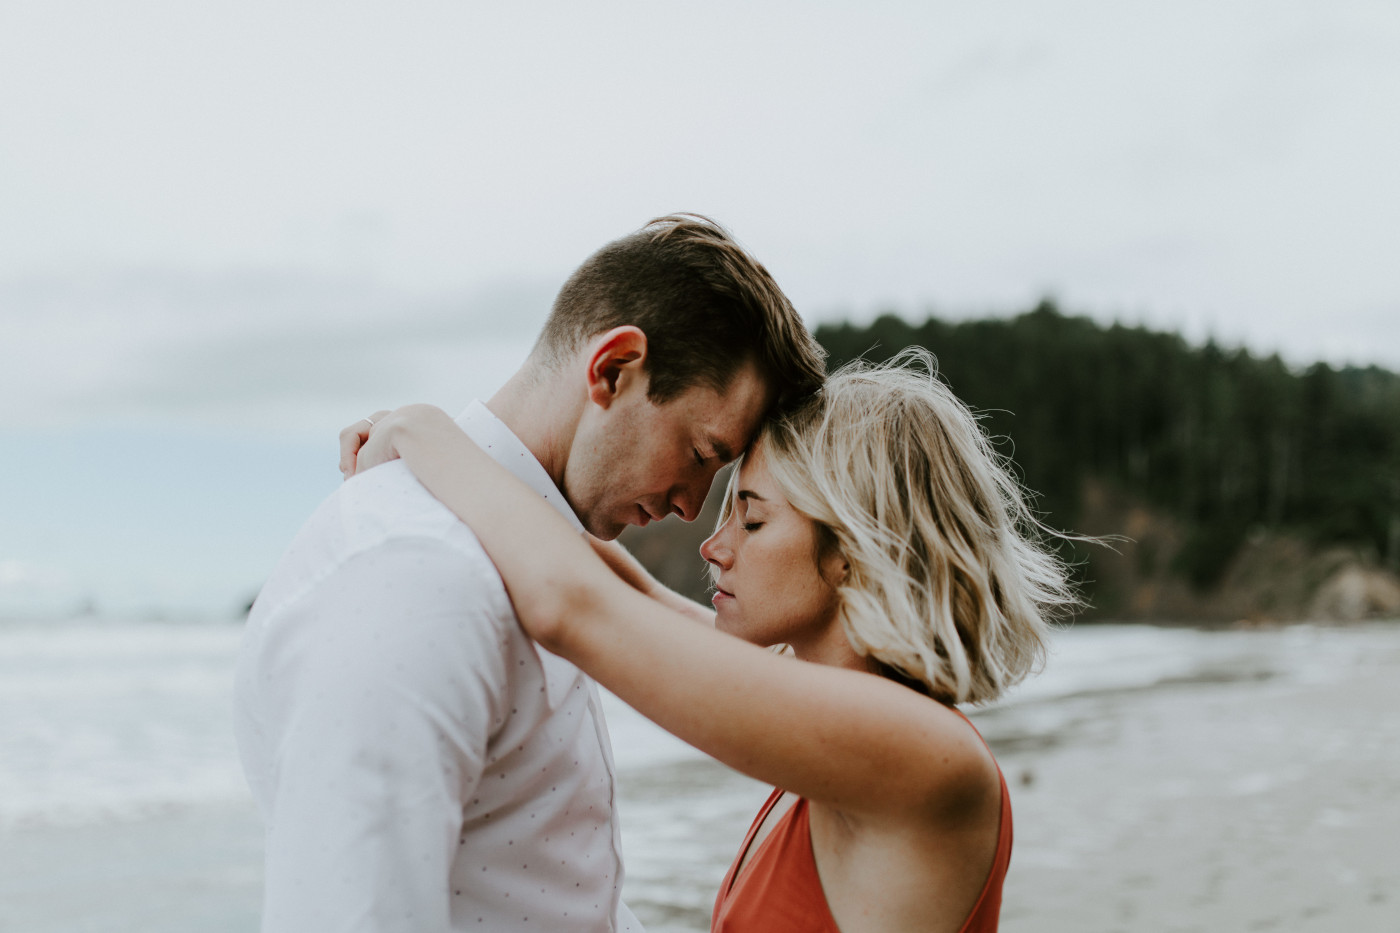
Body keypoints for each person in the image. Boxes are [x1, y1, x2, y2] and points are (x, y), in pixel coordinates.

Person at [342, 349, 1078, 933]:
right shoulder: (834, 716)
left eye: (752, 519)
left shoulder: (922, 754)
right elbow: (621, 587)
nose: (714, 546)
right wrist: (449, 463)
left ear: (855, 547)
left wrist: (422, 431)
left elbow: (575, 605)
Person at [233, 214, 827, 932]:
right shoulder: (420, 581)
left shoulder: (527, 554)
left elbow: (544, 890)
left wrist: (426, 429)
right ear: (613, 370)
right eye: (702, 452)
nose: (691, 507)